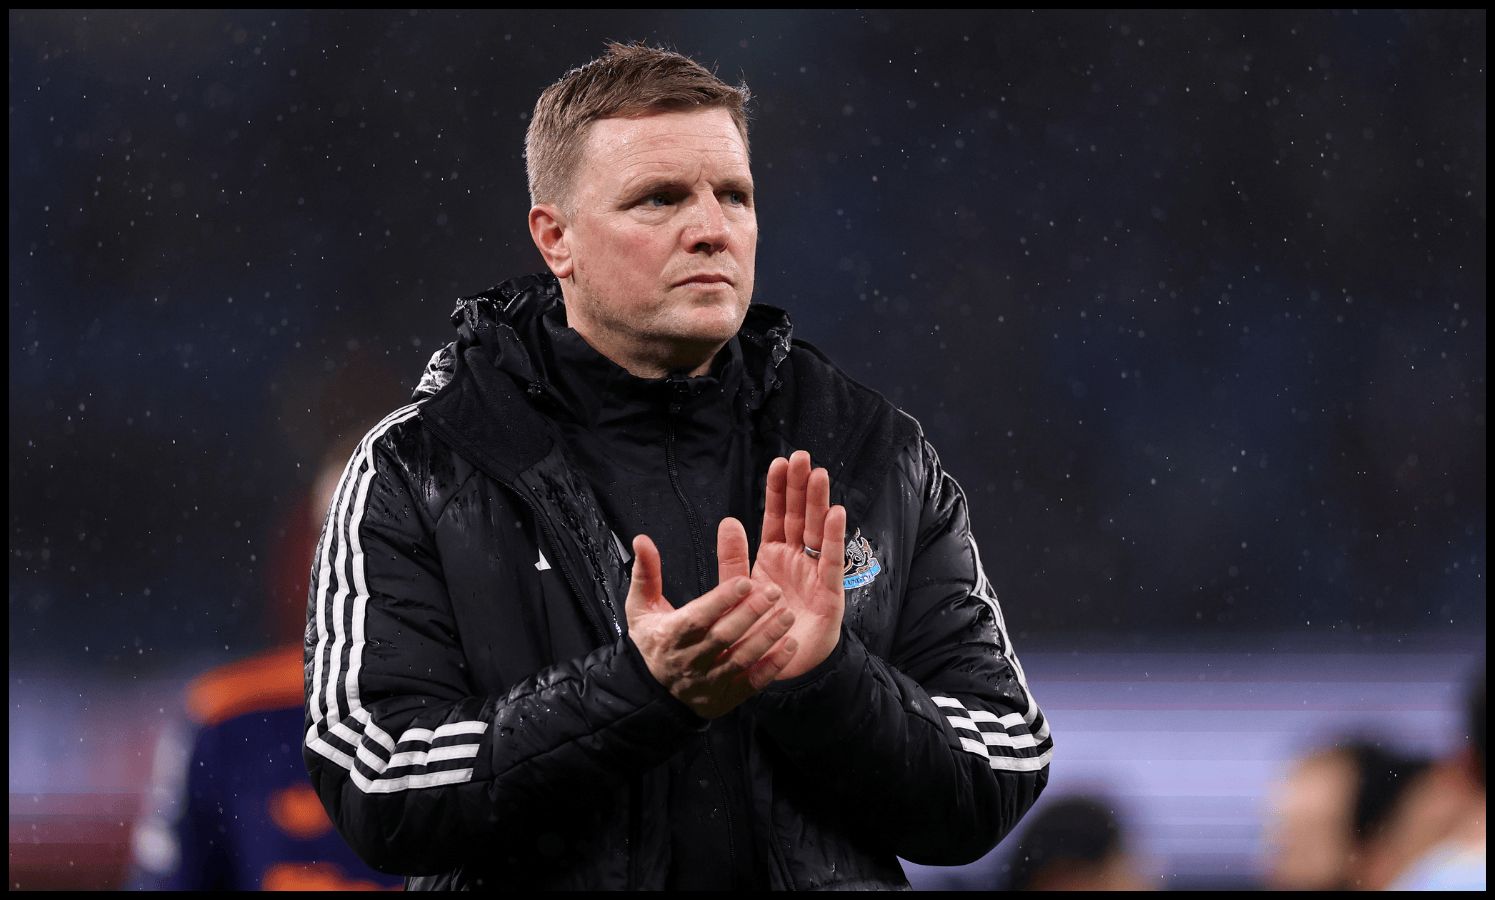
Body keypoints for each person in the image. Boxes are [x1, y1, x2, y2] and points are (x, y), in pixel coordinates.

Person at [302, 40, 1052, 890]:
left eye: (733, 194)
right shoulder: (422, 466)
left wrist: (824, 681)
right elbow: (379, 783)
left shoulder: (870, 449)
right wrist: (637, 690)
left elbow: (1001, 763)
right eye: (659, 199)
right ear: (556, 239)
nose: (711, 228)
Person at [128, 446, 403, 891]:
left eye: (398, 539)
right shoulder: (233, 719)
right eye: (343, 536)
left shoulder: (521, 714)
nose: (367, 565)